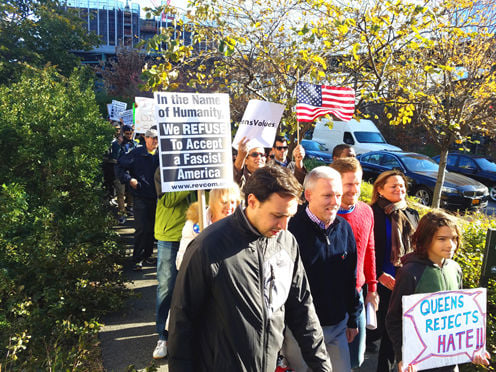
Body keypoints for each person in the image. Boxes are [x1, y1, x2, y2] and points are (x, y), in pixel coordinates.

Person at [168, 166, 332, 371]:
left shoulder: (287, 243)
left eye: (289, 216)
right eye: (277, 215)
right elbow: (182, 322)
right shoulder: (208, 246)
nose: (284, 226)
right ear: (252, 201)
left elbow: (303, 309)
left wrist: (322, 366)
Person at [386, 209, 491, 372]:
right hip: (420, 361)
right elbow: (394, 319)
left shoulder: (455, 269)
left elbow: (460, 315)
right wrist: (403, 356)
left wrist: (472, 349)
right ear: (426, 239)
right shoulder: (410, 272)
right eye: (442, 239)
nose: (450, 244)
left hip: (449, 361)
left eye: (454, 238)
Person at [284, 166, 360, 372]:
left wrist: (352, 317)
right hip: (299, 330)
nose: (335, 202)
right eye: (327, 195)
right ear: (308, 195)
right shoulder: (290, 230)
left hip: (337, 327)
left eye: (338, 195)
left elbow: (349, 277)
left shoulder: (344, 228)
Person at [368, 170, 419, 372]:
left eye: (402, 186)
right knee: (374, 329)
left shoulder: (411, 214)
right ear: (380, 190)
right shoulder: (371, 212)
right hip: (378, 281)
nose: (400, 189)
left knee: (393, 332)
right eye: (394, 186)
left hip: (403, 281)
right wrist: (379, 273)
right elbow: (366, 248)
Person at [331, 157, 378, 368]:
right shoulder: (322, 214)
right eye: (348, 184)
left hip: (357, 295)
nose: (354, 189)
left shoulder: (366, 211)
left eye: (358, 183)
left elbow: (370, 249)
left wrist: (372, 289)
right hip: (327, 298)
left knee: (355, 359)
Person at [152, 167, 195, 359]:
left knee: (194, 288)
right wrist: (192, 179)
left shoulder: (202, 163)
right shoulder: (163, 168)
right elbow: (168, 200)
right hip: (171, 235)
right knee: (167, 288)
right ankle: (163, 336)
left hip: (196, 233)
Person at [116, 128, 159, 270]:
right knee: (141, 228)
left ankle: (147, 255)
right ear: (145, 138)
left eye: (157, 138)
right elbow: (119, 167)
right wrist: (129, 179)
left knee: (152, 229)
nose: (155, 141)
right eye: (152, 138)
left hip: (157, 197)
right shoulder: (136, 153)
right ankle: (137, 258)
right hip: (140, 196)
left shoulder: (161, 155)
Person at [176, 184, 241, 270]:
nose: (229, 207)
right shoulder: (194, 223)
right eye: (224, 202)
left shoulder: (240, 225)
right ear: (213, 203)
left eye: (233, 202)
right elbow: (181, 263)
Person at [111, 124, 137, 224]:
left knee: (131, 190)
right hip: (120, 171)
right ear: (123, 133)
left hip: (131, 171)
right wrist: (119, 144)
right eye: (127, 133)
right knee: (120, 193)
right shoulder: (117, 144)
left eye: (131, 133)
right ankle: (122, 213)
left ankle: (129, 207)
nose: (129, 135)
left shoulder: (133, 143)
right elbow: (115, 157)